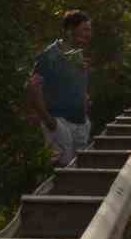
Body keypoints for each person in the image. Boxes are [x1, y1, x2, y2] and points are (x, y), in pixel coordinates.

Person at [28, 10, 93, 166]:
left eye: (89, 30)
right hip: (59, 123)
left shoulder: (78, 55)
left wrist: (84, 99)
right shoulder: (49, 56)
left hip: (81, 123)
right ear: (70, 30)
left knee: (81, 172)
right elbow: (33, 88)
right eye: (85, 29)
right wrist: (50, 122)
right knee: (65, 173)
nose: (89, 34)